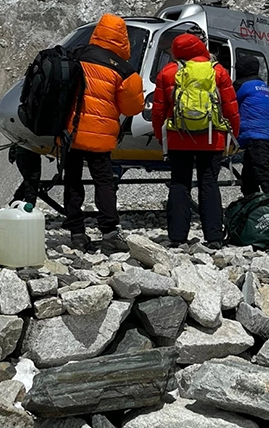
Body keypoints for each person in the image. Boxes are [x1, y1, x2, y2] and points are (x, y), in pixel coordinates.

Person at [63, 14, 144, 252]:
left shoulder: (77, 55)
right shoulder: (123, 69)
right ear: (122, 39)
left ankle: (76, 233)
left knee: (73, 181)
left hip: (72, 132)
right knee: (104, 183)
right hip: (100, 137)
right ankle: (109, 232)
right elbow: (133, 107)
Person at [151, 30, 240, 248]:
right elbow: (230, 107)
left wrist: (161, 137)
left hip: (178, 137)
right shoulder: (217, 71)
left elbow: (159, 111)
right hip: (212, 137)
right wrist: (232, 135)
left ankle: (177, 236)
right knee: (208, 184)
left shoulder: (168, 72)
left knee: (179, 184)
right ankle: (214, 237)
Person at [234, 52, 269, 197]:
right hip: (265, 134)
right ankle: (252, 201)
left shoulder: (242, 86)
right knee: (249, 173)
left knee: (260, 169)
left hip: (254, 135)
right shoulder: (261, 85)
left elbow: (228, 101)